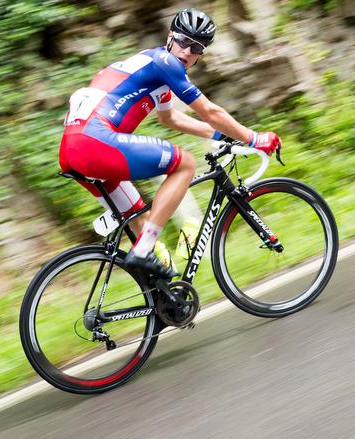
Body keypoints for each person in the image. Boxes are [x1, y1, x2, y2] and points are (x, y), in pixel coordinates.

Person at [59, 8, 282, 278]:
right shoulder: (166, 62)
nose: (187, 51)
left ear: (202, 53)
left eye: (196, 47)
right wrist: (254, 138)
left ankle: (162, 301)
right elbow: (210, 112)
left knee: (139, 221)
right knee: (185, 164)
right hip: (95, 142)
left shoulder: (150, 67)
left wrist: (222, 135)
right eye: (183, 41)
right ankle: (142, 252)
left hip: (74, 149)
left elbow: (170, 118)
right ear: (170, 37)